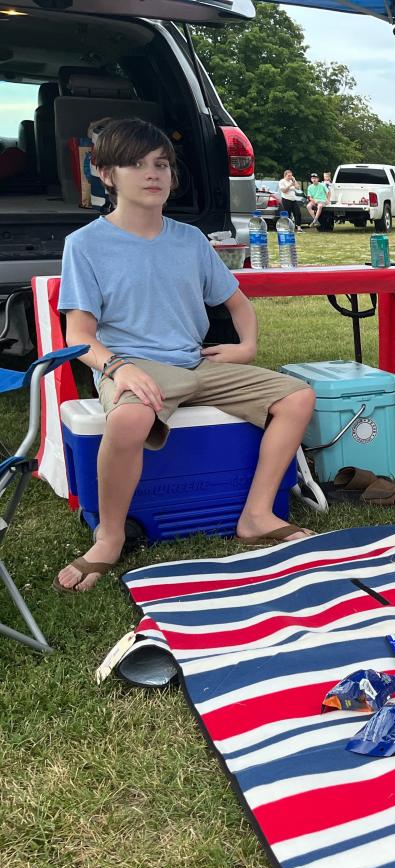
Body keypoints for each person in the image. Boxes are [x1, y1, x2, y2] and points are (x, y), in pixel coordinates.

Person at [53, 118, 316, 593]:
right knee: (129, 421)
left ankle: (257, 514)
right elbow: (79, 334)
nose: (152, 174)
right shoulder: (85, 245)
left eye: (161, 164)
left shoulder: (190, 240)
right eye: (135, 165)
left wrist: (247, 347)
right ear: (105, 174)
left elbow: (236, 301)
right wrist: (118, 367)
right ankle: (109, 536)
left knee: (297, 397)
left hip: (195, 364)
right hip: (135, 365)